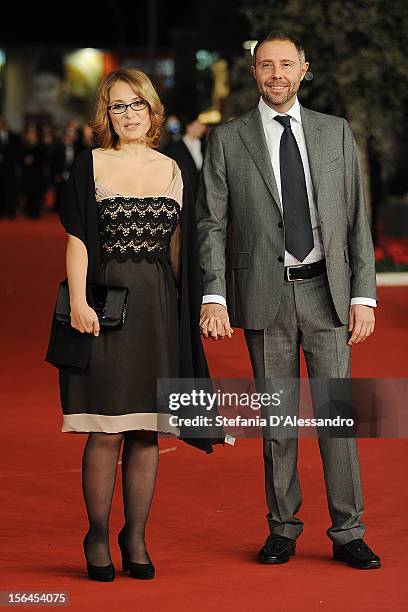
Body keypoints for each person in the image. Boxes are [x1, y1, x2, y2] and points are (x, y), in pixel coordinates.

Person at [197, 31, 381, 569]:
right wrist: (214, 295)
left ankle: (349, 531)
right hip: (263, 297)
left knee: (336, 419)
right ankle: (283, 527)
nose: (276, 74)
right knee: (278, 421)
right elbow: (211, 223)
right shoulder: (229, 139)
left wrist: (364, 295)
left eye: (286, 65)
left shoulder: (336, 133)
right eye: (265, 66)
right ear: (254, 73)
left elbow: (355, 220)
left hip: (327, 293)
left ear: (304, 69)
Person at [45, 67, 216, 582]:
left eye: (136, 104)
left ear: (151, 109)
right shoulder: (88, 164)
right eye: (118, 106)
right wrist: (78, 299)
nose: (128, 114)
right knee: (104, 429)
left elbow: (182, 248)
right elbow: (77, 238)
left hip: (159, 308)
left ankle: (135, 535)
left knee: (146, 431)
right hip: (103, 307)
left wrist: (202, 308)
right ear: (107, 114)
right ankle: (97, 534)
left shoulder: (174, 168)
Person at [164, 114, 207, 197]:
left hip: (202, 194)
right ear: (189, 127)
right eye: (198, 125)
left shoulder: (204, 145)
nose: (203, 128)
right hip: (184, 193)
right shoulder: (174, 148)